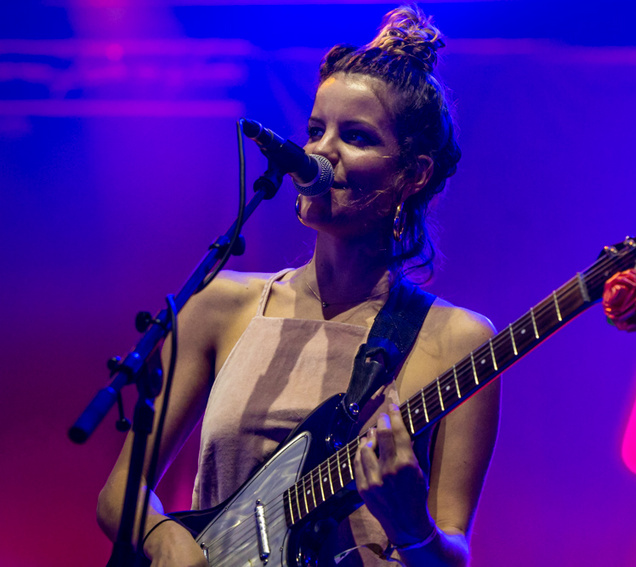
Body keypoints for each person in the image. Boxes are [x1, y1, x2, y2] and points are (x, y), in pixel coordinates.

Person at [96, 5, 500, 566]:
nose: (320, 152)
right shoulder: (220, 306)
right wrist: (164, 536)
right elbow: (121, 491)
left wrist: (413, 528)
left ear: (414, 173)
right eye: (315, 130)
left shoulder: (458, 341)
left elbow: (453, 552)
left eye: (355, 136)